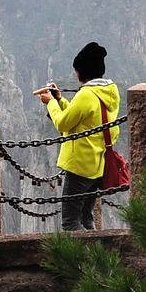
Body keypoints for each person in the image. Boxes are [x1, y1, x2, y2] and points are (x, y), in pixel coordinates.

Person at [36, 42, 120, 231]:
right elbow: (80, 117)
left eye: (76, 70)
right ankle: (95, 248)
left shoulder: (86, 95)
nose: (75, 74)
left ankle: (84, 251)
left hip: (80, 165)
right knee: (86, 218)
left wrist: (50, 103)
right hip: (97, 164)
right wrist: (59, 99)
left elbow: (63, 123)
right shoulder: (109, 91)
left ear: (82, 71)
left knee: (71, 223)